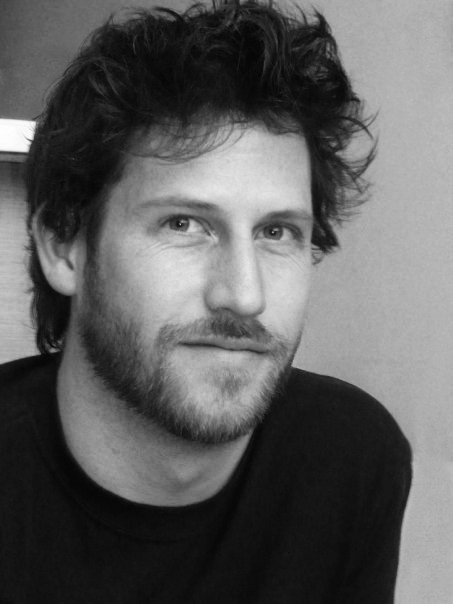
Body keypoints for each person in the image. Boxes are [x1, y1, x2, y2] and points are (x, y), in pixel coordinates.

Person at [0, 1, 412, 602]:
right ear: (64, 246)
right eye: (184, 224)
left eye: (276, 232)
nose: (244, 296)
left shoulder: (352, 460)